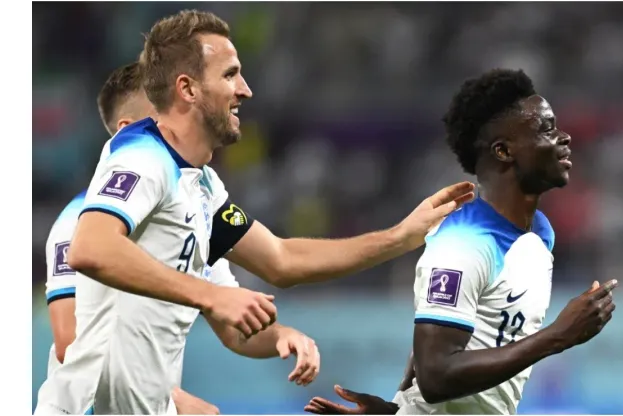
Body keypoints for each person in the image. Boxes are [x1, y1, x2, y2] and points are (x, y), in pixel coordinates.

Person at [34, 9, 475, 415]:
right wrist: (211, 295)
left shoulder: (202, 189)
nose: (245, 89)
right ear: (187, 88)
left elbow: (281, 259)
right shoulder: (143, 157)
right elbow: (90, 248)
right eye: (230, 75)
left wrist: (400, 236)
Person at [304, 69, 618, 415]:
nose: (564, 137)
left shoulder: (540, 233)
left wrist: (395, 411)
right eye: (546, 128)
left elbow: (446, 343)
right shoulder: (460, 245)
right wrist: (559, 335)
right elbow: (436, 376)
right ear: (503, 151)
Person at [43, 61, 318, 415]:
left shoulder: (189, 211)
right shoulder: (78, 222)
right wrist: (177, 402)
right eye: (164, 113)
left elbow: (232, 324)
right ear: (129, 131)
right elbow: (70, 345)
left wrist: (281, 335)